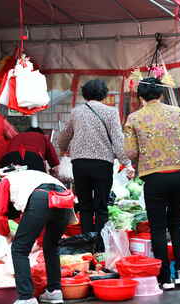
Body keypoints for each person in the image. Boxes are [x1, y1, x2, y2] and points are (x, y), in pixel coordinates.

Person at [124, 78, 180, 290]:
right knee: (176, 223)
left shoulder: (134, 118)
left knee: (158, 227)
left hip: (154, 178)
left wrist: (138, 164)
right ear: (161, 94)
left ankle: (164, 278)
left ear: (140, 97)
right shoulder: (177, 113)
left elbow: (131, 152)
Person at [58, 79, 134, 241]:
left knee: (85, 206)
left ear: (85, 93)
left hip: (80, 164)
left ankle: (87, 240)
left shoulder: (76, 112)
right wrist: (127, 163)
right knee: (101, 207)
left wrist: (63, 148)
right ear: (104, 94)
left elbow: (64, 136)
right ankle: (100, 244)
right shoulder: (111, 112)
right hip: (102, 164)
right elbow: (118, 140)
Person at [0, 169, 75, 304]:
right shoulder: (33, 176)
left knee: (19, 249)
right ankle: (54, 292)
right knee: (51, 246)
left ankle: (26, 297)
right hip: (64, 198)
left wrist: (6, 233)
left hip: (41, 198)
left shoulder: (6, 181)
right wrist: (40, 241)